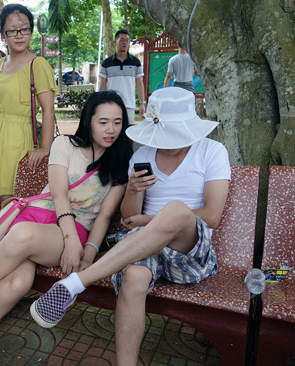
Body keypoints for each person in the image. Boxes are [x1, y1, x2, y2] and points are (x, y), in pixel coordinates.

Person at [0, 90, 132, 366]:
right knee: (17, 284)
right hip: (41, 218)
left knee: (21, 235)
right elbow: (57, 194)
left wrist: (85, 253)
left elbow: (104, 217)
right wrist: (69, 238)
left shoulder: (120, 162)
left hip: (69, 233)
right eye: (103, 121)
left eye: (117, 122)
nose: (111, 130)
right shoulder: (65, 144)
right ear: (88, 120)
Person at [31, 87, 231, 366]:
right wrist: (134, 190)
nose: (169, 141)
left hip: (189, 251)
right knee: (134, 278)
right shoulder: (143, 156)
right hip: (142, 245)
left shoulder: (212, 152)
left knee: (176, 210)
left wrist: (151, 221)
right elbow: (128, 217)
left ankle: (76, 284)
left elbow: (211, 216)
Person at [0, 3, 57, 222]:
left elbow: (48, 111)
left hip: (19, 139)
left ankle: (11, 249)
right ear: (3, 34)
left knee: (10, 202)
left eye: (24, 29)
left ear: (31, 31)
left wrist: (45, 149)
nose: (19, 35)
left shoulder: (38, 65)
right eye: (12, 30)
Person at [99, 29, 147, 125]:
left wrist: (142, 103)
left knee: (127, 133)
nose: (124, 43)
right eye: (121, 40)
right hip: (110, 104)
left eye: (127, 40)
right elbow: (102, 83)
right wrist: (100, 102)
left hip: (129, 105)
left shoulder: (135, 62)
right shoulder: (106, 63)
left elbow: (139, 83)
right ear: (115, 42)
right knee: (111, 131)